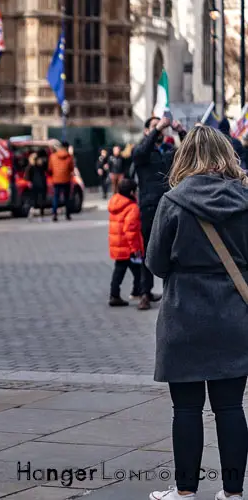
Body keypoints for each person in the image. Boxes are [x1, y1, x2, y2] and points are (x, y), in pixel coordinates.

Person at [146, 125, 248, 500]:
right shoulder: (245, 200)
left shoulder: (173, 202)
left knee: (186, 409)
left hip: (184, 316)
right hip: (234, 316)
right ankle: (233, 492)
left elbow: (155, 262)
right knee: (230, 406)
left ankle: (185, 491)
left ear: (185, 156)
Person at [131, 115, 186, 310]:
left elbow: (190, 153)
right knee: (148, 250)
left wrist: (180, 130)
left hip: (170, 207)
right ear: (147, 132)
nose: (160, 129)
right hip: (149, 207)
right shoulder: (142, 152)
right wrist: (157, 129)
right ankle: (145, 293)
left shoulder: (167, 153)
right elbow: (140, 154)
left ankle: (171, 293)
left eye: (161, 127)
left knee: (173, 251)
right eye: (154, 127)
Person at [107, 178, 143, 307]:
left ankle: (115, 294)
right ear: (132, 192)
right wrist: (135, 249)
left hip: (118, 245)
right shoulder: (132, 207)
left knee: (119, 271)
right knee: (138, 271)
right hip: (128, 247)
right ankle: (135, 292)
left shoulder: (115, 203)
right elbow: (130, 231)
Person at [48, 141, 75, 222]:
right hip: (66, 179)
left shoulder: (52, 156)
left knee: (56, 197)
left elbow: (50, 168)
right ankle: (67, 214)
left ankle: (54, 214)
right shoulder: (69, 157)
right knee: (67, 197)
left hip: (56, 180)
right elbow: (71, 168)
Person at [25, 152, 47, 220]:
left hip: (35, 185)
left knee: (34, 200)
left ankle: (32, 213)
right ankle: (40, 215)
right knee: (40, 201)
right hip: (40, 185)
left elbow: (27, 177)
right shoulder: (40, 166)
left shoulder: (31, 167)